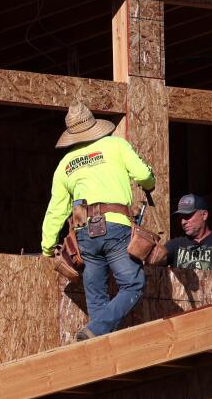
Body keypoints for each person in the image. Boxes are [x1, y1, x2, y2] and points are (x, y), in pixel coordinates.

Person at [39, 102, 157, 340]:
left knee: (96, 297)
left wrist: (47, 247)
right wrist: (150, 184)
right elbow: (144, 175)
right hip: (115, 227)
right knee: (133, 284)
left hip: (84, 234)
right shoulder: (115, 145)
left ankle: (97, 342)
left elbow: (56, 210)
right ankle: (97, 330)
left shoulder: (65, 165)